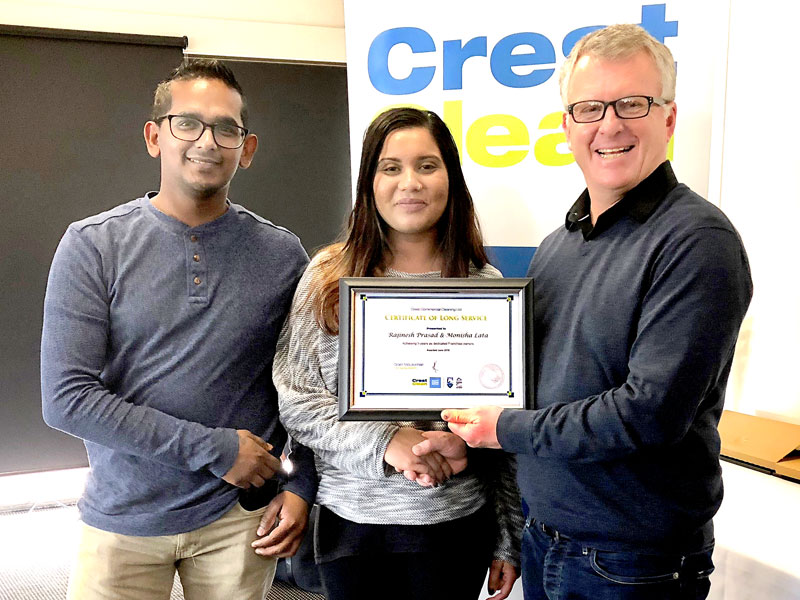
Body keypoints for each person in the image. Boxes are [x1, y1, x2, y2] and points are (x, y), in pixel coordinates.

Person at [443, 24, 753, 600]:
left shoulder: (696, 241)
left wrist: (499, 429)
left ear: (669, 117)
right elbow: (532, 386)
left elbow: (648, 415)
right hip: (545, 541)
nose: (608, 125)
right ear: (566, 127)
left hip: (633, 563)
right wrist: (457, 429)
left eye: (632, 103)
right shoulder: (559, 244)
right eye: (588, 108)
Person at [41, 59, 315, 600]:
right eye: (187, 123)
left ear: (247, 147)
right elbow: (66, 399)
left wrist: (302, 483)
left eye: (226, 129)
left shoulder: (283, 254)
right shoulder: (93, 245)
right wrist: (215, 449)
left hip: (238, 522)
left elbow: (309, 385)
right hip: (123, 517)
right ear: (154, 136)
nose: (206, 141)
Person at [272, 107, 523, 600]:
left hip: (456, 523)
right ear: (369, 182)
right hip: (352, 523)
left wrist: (507, 537)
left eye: (427, 165)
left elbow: (506, 425)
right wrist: (389, 440)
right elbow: (297, 403)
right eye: (391, 167)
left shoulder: (485, 286)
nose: (410, 182)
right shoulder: (327, 278)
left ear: (451, 177)